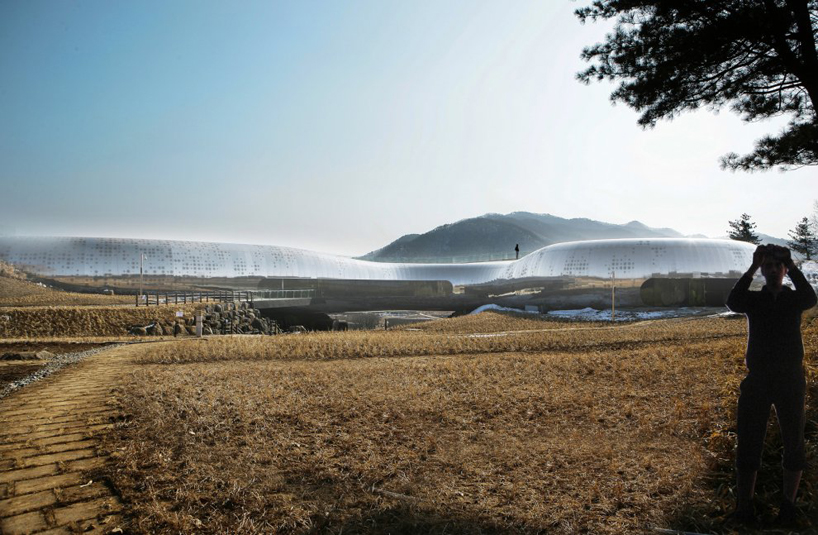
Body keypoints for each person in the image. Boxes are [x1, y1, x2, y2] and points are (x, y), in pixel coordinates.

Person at [725, 244, 817, 525]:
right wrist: (752, 266)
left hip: (790, 378)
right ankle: (745, 508)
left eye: (778, 267)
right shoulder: (754, 300)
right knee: (749, 439)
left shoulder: (794, 300)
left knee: (794, 441)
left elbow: (811, 297)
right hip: (759, 378)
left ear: (785, 270)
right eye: (769, 267)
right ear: (763, 272)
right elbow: (733, 301)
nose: (773, 270)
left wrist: (792, 263)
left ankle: (787, 507)